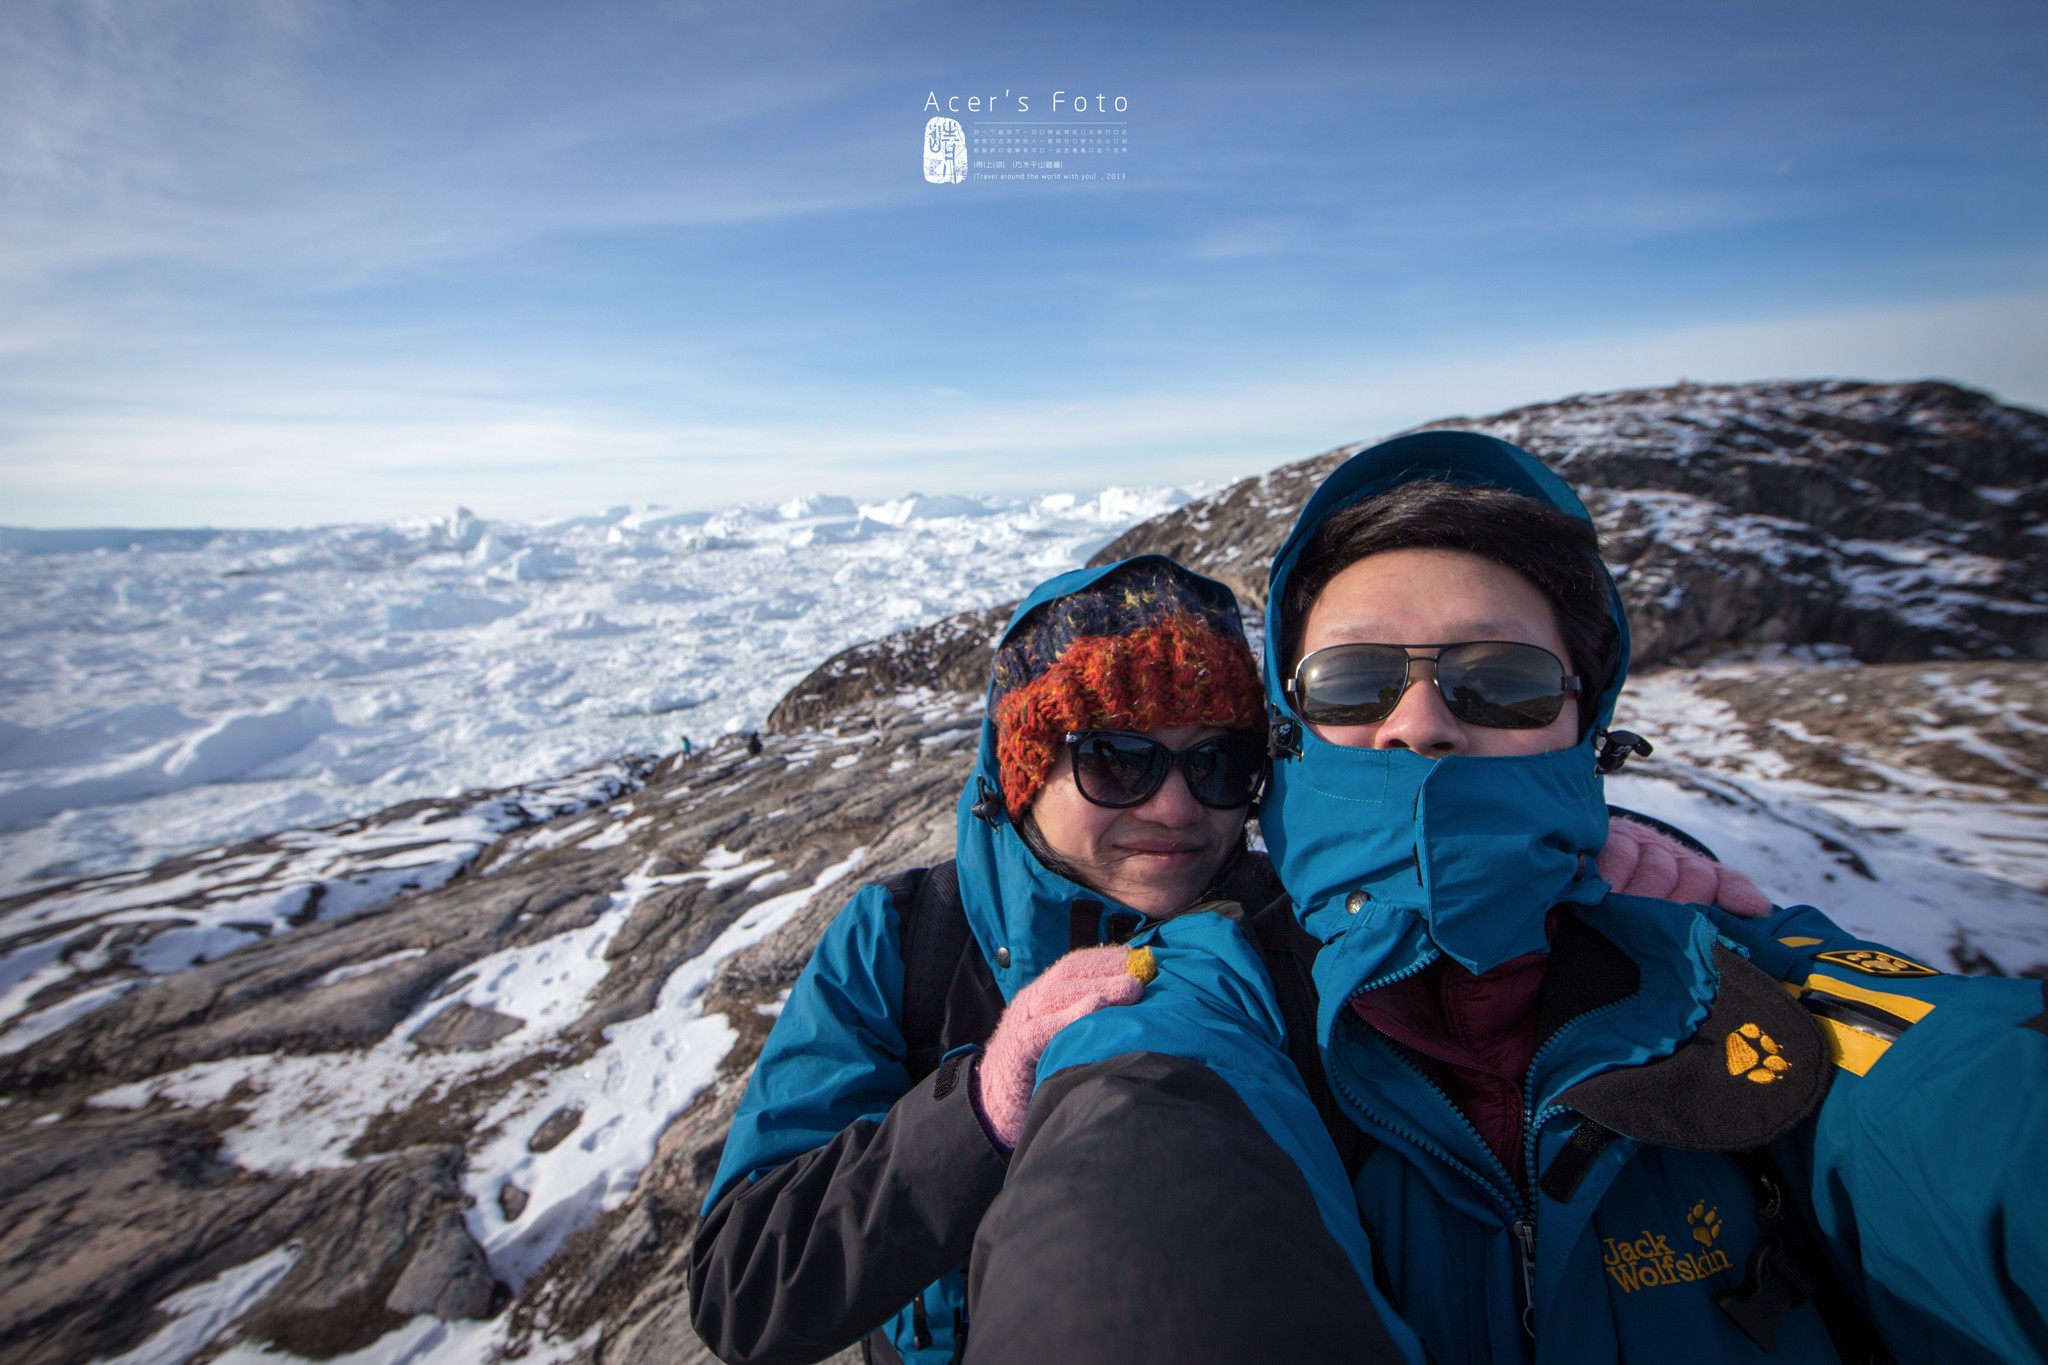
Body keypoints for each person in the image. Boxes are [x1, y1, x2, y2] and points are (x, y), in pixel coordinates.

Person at [965, 432, 2048, 1365]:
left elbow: (1972, 1106)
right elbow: (1131, 1182)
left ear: (1585, 733)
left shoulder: (1737, 976)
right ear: (1293, 734)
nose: (1420, 723)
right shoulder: (1204, 997)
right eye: (1354, 683)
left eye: (1503, 684)